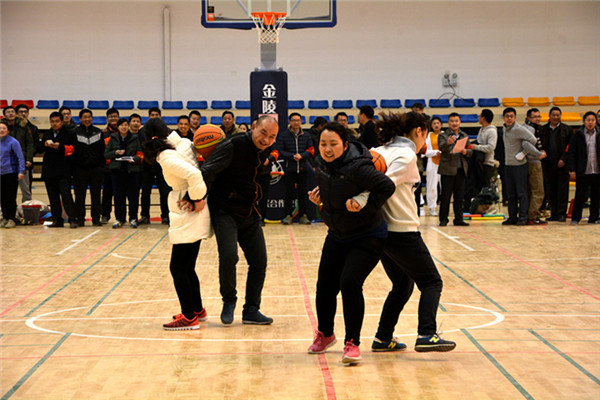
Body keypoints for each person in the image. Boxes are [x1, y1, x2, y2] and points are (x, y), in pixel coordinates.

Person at [363, 111, 456, 353]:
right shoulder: (405, 155)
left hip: (381, 231)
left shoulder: (378, 151)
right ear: (419, 132)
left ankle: (383, 338)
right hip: (401, 230)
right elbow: (382, 186)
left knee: (402, 284)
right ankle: (427, 333)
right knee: (432, 282)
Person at [306, 122, 394, 365]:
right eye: (323, 144)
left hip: (368, 235)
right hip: (337, 233)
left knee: (349, 282)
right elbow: (333, 187)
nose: (327, 149)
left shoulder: (359, 167)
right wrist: (321, 197)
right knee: (325, 286)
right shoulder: (320, 162)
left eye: (333, 144)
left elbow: (387, 186)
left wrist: (365, 204)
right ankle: (326, 334)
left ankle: (352, 343)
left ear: (345, 145)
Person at [199, 115, 279, 325]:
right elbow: (207, 171)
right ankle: (229, 300)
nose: (266, 139)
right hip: (225, 210)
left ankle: (251, 309)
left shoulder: (265, 149)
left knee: (259, 262)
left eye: (271, 137)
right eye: (263, 133)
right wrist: (196, 198)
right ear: (253, 127)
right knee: (228, 256)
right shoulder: (233, 145)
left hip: (250, 211)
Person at [142, 118, 211, 330]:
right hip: (194, 210)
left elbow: (194, 174)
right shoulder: (185, 143)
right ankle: (197, 310)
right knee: (188, 266)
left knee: (178, 267)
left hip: (188, 209)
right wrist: (199, 199)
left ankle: (189, 317)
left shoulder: (166, 155)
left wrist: (197, 199)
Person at [502, 108, 543, 226]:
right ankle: (512, 217)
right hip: (508, 165)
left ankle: (523, 217)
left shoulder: (519, 129)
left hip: (519, 166)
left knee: (521, 193)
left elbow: (532, 140)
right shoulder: (504, 129)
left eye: (511, 116)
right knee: (511, 194)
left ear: (515, 117)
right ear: (503, 118)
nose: (509, 118)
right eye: (507, 116)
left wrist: (523, 153)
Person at [39, 111, 77, 228]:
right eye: (52, 121)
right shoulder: (47, 134)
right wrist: (45, 144)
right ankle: (57, 220)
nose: (54, 124)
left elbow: (74, 150)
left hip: (63, 170)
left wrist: (59, 147)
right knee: (53, 197)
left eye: (57, 121)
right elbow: (39, 149)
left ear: (61, 122)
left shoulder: (70, 134)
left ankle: (72, 219)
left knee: (66, 196)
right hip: (49, 170)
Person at [104, 118, 143, 228]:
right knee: (118, 196)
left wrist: (133, 159)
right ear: (118, 127)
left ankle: (133, 218)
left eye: (126, 125)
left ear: (128, 126)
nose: (124, 127)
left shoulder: (134, 138)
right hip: (117, 172)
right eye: (121, 125)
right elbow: (106, 155)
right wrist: (115, 152)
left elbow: (140, 154)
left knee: (133, 197)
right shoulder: (113, 138)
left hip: (132, 172)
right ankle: (120, 219)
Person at [277, 112, 315, 225]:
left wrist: (302, 156)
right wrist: (292, 156)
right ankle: (288, 216)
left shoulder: (306, 135)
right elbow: (279, 151)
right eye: (293, 120)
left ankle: (303, 216)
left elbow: (311, 150)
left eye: (298, 120)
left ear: (301, 121)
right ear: (289, 122)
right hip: (289, 169)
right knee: (289, 193)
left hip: (303, 168)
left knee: (303, 193)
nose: (296, 122)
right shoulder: (283, 135)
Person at [138, 107, 171, 225]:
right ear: (149, 117)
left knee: (165, 192)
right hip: (147, 165)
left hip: (162, 166)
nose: (154, 117)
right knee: (145, 192)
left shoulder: (167, 130)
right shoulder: (142, 131)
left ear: (160, 117)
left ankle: (166, 216)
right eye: (152, 115)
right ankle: (144, 216)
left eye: (156, 115)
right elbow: (141, 147)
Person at [438, 113, 472, 226]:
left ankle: (458, 219)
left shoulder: (464, 135)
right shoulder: (443, 135)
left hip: (461, 169)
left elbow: (470, 151)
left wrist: (466, 152)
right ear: (448, 123)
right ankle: (443, 219)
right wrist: (448, 143)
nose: (454, 123)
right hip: (447, 170)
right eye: (452, 121)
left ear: (460, 122)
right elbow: (441, 147)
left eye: (456, 121)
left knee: (459, 197)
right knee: (446, 197)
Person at [72, 109, 104, 226]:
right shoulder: (74, 132)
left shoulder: (98, 132)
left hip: (96, 169)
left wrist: (100, 166)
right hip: (80, 169)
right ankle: (80, 219)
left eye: (89, 117)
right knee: (80, 195)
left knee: (96, 195)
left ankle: (96, 218)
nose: (87, 119)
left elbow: (102, 151)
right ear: (80, 119)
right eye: (84, 117)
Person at [540, 107, 572, 222]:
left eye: (558, 115)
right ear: (549, 116)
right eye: (553, 115)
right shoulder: (543, 129)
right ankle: (553, 213)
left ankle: (562, 213)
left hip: (562, 165)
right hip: (548, 164)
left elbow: (570, 147)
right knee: (550, 189)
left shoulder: (567, 129)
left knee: (562, 190)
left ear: (560, 116)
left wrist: (563, 159)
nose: (555, 117)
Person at [569, 111, 600, 224]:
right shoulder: (577, 134)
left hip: (597, 170)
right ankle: (575, 218)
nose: (590, 122)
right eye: (588, 120)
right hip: (583, 170)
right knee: (580, 195)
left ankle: (594, 218)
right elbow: (572, 153)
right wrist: (572, 169)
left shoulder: (599, 133)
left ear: (596, 121)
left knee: (596, 195)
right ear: (584, 121)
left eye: (592, 120)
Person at [3, 106, 34, 203]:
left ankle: (27, 210)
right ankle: (8, 211)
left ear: (15, 114)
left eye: (12, 111)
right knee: (7, 191)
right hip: (6, 165)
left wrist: (29, 159)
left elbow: (30, 144)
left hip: (22, 163)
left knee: (26, 190)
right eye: (8, 112)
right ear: (4, 115)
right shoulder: (2, 128)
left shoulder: (24, 126)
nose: (11, 113)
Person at [524, 108, 548, 224]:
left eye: (539, 116)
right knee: (538, 191)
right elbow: (526, 145)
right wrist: (539, 154)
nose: (538, 119)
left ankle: (527, 215)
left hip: (525, 163)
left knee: (529, 190)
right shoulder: (531, 129)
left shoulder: (524, 127)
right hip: (534, 162)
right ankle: (533, 216)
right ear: (529, 118)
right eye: (535, 117)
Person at [0, 120, 25, 228]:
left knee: (10, 197)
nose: (1, 130)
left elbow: (20, 157)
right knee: (2, 197)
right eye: (0, 128)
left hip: (11, 172)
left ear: (8, 130)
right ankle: (5, 218)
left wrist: (21, 171)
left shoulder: (13, 142)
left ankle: (11, 218)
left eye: (4, 128)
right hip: (0, 173)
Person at [100, 108, 120, 224]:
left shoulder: (123, 132)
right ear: (107, 118)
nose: (113, 118)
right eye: (111, 117)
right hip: (107, 169)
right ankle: (105, 215)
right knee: (107, 194)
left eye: (115, 116)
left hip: (120, 169)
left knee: (120, 194)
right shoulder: (103, 134)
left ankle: (120, 216)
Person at [16, 104, 40, 195]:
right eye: (21, 112)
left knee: (27, 190)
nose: (23, 114)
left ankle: (27, 205)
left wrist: (29, 158)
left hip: (26, 162)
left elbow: (35, 145)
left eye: (25, 112)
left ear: (28, 114)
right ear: (17, 114)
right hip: (11, 163)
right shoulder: (11, 127)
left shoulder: (33, 128)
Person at [423, 116, 442, 216]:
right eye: (434, 123)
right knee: (432, 187)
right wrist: (436, 152)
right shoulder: (428, 136)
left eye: (438, 123)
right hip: (432, 162)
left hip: (444, 163)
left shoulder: (445, 134)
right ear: (431, 125)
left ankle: (444, 208)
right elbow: (425, 151)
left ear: (441, 125)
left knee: (445, 187)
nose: (436, 125)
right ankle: (432, 207)